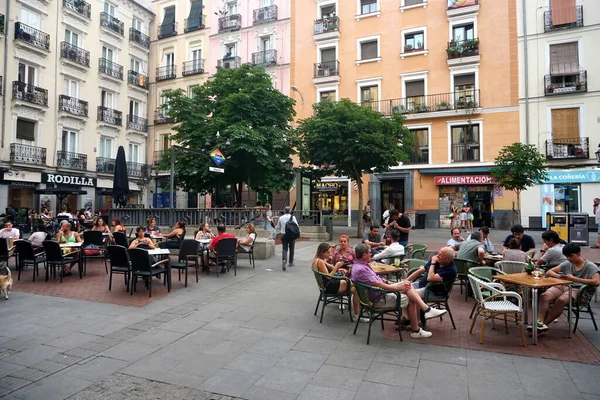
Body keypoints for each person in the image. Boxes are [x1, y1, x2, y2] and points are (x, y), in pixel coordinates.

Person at [350, 244, 447, 339]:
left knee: (407, 286)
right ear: (364, 255)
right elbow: (378, 285)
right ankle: (417, 328)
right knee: (409, 296)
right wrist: (397, 288)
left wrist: (392, 283)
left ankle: (423, 314)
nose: (371, 255)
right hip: (379, 299)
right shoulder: (361, 269)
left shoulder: (360, 266)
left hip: (379, 294)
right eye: (370, 253)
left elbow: (378, 280)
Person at [529, 243, 600, 334]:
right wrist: (559, 276)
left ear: (579, 254)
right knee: (544, 296)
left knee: (561, 300)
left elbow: (597, 282)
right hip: (563, 286)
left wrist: (574, 279)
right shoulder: (567, 264)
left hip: (578, 290)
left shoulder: (590, 266)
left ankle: (543, 325)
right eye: (567, 256)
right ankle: (539, 322)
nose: (569, 259)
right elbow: (550, 272)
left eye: (571, 256)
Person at [312, 243, 367, 322]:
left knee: (355, 289)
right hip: (330, 286)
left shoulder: (317, 260)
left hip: (325, 286)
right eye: (328, 252)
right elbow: (328, 277)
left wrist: (339, 267)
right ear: (322, 252)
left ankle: (358, 311)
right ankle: (360, 311)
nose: (329, 254)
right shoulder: (320, 262)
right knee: (358, 286)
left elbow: (331, 267)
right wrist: (337, 267)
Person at [277, 206, 298, 271]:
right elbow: (296, 225)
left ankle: (284, 259)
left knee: (284, 248)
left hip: (283, 234)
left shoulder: (281, 218)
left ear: (284, 210)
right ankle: (291, 262)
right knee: (291, 248)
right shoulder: (293, 217)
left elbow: (278, 227)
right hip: (291, 235)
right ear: (290, 210)